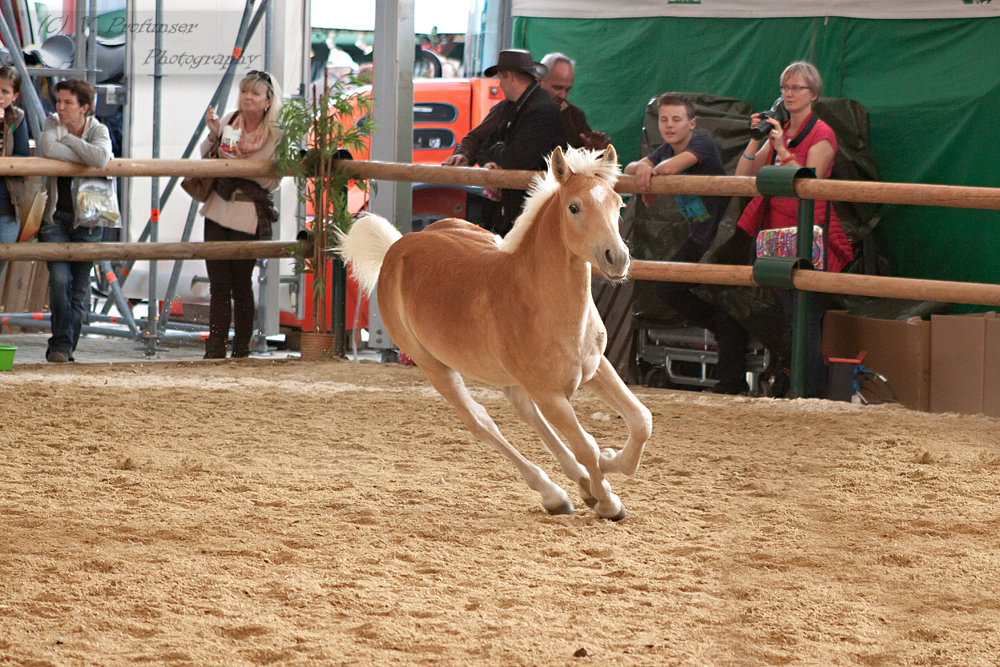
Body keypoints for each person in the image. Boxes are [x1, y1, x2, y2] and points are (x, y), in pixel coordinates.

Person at [718, 61, 853, 396]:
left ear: (814, 94)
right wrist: (756, 140)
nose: (789, 94)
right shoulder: (782, 130)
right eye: (785, 88)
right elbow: (743, 176)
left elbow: (812, 182)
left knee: (804, 319)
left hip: (808, 236)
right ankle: (796, 389)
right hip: (776, 235)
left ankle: (814, 395)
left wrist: (781, 150)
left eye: (797, 88)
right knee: (789, 319)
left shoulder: (822, 134)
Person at [623, 92, 730, 341]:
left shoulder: (702, 144)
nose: (669, 125)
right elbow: (630, 168)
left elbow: (668, 168)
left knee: (722, 294)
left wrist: (647, 174)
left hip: (722, 238)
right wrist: (642, 170)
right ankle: (721, 325)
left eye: (676, 119)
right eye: (663, 120)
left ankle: (726, 329)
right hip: (699, 238)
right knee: (666, 288)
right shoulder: (665, 148)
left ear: (691, 123)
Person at [200, 70, 283, 359]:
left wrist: (242, 170)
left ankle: (241, 348)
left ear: (268, 101)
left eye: (255, 93)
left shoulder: (277, 135)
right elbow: (206, 157)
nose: (248, 97)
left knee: (241, 282)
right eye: (245, 91)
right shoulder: (229, 121)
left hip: (249, 212)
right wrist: (213, 133)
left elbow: (274, 180)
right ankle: (215, 346)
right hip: (218, 206)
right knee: (218, 283)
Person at [442, 49, 566, 235]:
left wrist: (495, 152)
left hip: (532, 216)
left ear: (509, 76)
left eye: (500, 78)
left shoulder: (542, 110)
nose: (499, 84)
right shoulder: (510, 107)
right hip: (512, 212)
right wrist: (472, 156)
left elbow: (515, 158)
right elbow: (481, 141)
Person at [38, 78, 114, 363]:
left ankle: (63, 347)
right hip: (55, 216)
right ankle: (61, 345)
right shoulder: (50, 123)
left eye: (68, 103)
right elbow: (48, 150)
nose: (60, 108)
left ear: (85, 108)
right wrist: (84, 155)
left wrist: (69, 139)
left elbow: (102, 157)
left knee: (80, 288)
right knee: (59, 280)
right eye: (58, 101)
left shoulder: (99, 129)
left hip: (90, 219)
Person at [0, 66, 31, 282]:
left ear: (15, 96)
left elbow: (22, 155)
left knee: (3, 255)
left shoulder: (17, 118)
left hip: (7, 202)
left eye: (5, 92)